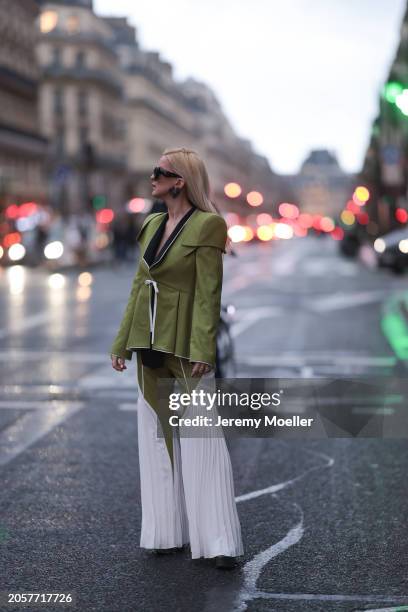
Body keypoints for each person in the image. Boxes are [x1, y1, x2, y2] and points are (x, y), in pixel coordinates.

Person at [109, 147, 244, 569]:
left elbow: (208, 294)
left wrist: (204, 349)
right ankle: (164, 533)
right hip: (148, 341)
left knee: (202, 441)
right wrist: (120, 343)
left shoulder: (208, 225)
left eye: (159, 172)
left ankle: (219, 541)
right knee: (156, 438)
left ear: (179, 181)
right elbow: (138, 285)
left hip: (186, 343)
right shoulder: (150, 223)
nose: (152, 178)